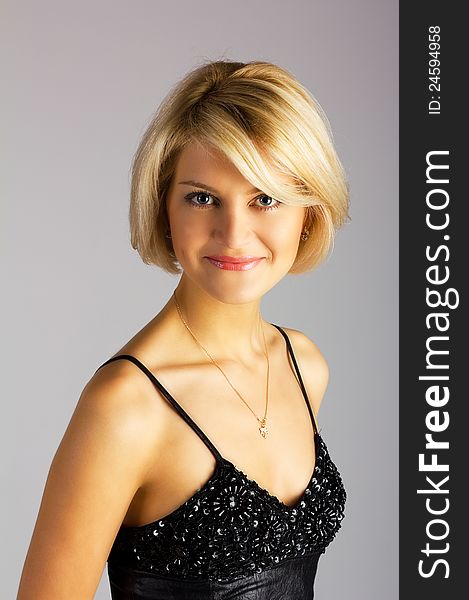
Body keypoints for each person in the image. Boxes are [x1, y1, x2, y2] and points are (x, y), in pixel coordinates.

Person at [17, 59, 350, 599]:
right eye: (202, 198)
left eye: (264, 198)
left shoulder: (303, 365)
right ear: (164, 208)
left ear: (307, 212)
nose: (234, 233)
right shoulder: (127, 404)